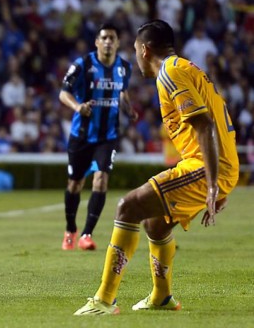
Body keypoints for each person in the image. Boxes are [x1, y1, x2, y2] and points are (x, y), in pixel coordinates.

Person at [74, 20, 239, 315]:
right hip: (211, 165)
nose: (136, 57)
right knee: (154, 221)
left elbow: (204, 125)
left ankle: (104, 299)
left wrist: (214, 182)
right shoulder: (186, 68)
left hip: (205, 166)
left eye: (136, 50)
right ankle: (162, 297)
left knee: (128, 207)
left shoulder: (170, 72)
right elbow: (217, 114)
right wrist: (222, 178)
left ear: (145, 49)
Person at [59, 22, 138, 251]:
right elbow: (63, 93)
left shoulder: (124, 67)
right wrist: (78, 107)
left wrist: (128, 109)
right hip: (82, 134)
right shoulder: (83, 65)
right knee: (75, 184)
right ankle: (70, 229)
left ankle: (87, 234)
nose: (108, 41)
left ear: (117, 42)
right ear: (97, 42)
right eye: (104, 37)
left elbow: (121, 92)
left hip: (108, 135)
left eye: (112, 38)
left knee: (101, 179)